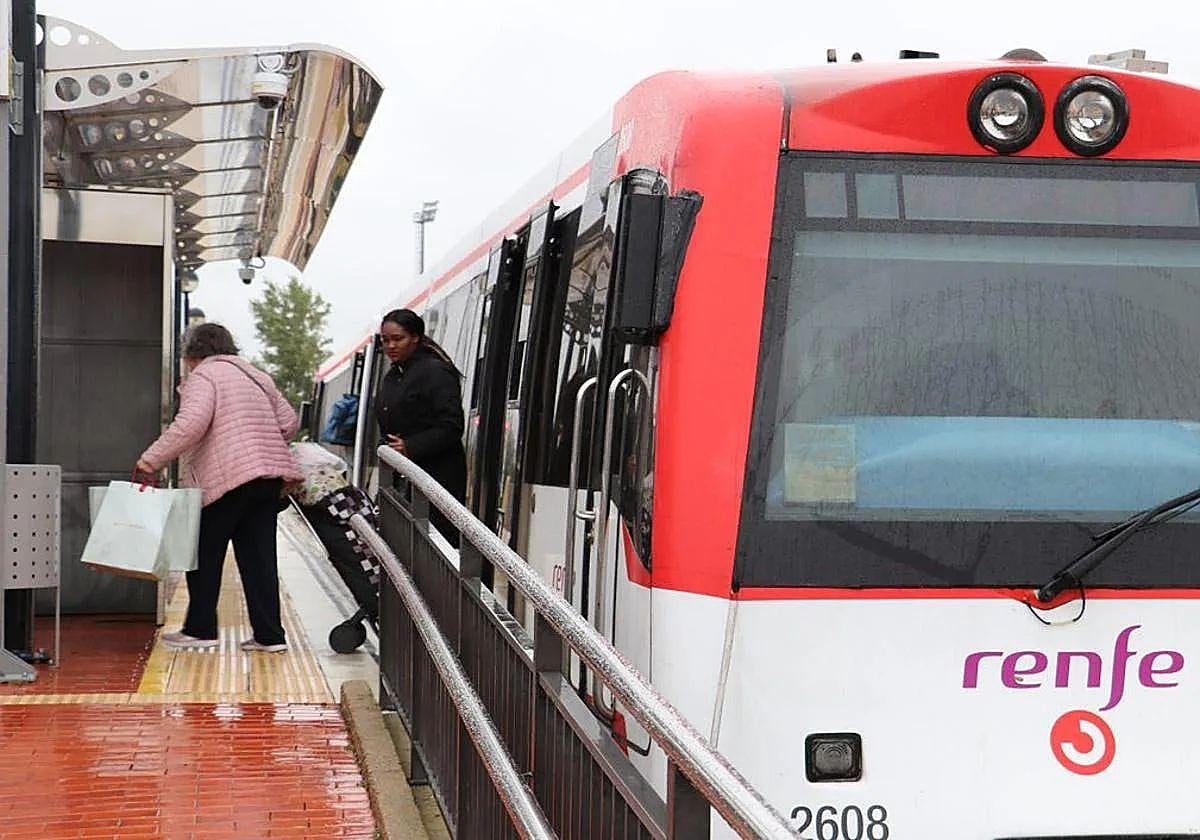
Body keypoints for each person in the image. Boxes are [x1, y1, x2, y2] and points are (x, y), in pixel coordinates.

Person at [137, 323, 301, 652]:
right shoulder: (256, 376)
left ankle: (200, 629)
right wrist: (258, 443)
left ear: (192, 355)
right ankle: (270, 636)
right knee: (259, 559)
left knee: (203, 553)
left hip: (227, 479)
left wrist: (150, 460)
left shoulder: (205, 377)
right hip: (266, 479)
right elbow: (288, 422)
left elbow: (191, 424)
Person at [376, 309, 467, 543]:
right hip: (401, 480)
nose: (391, 346)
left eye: (398, 339)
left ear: (415, 337)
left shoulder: (436, 372)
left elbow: (452, 425)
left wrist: (411, 446)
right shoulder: (393, 376)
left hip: (435, 480)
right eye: (385, 340)